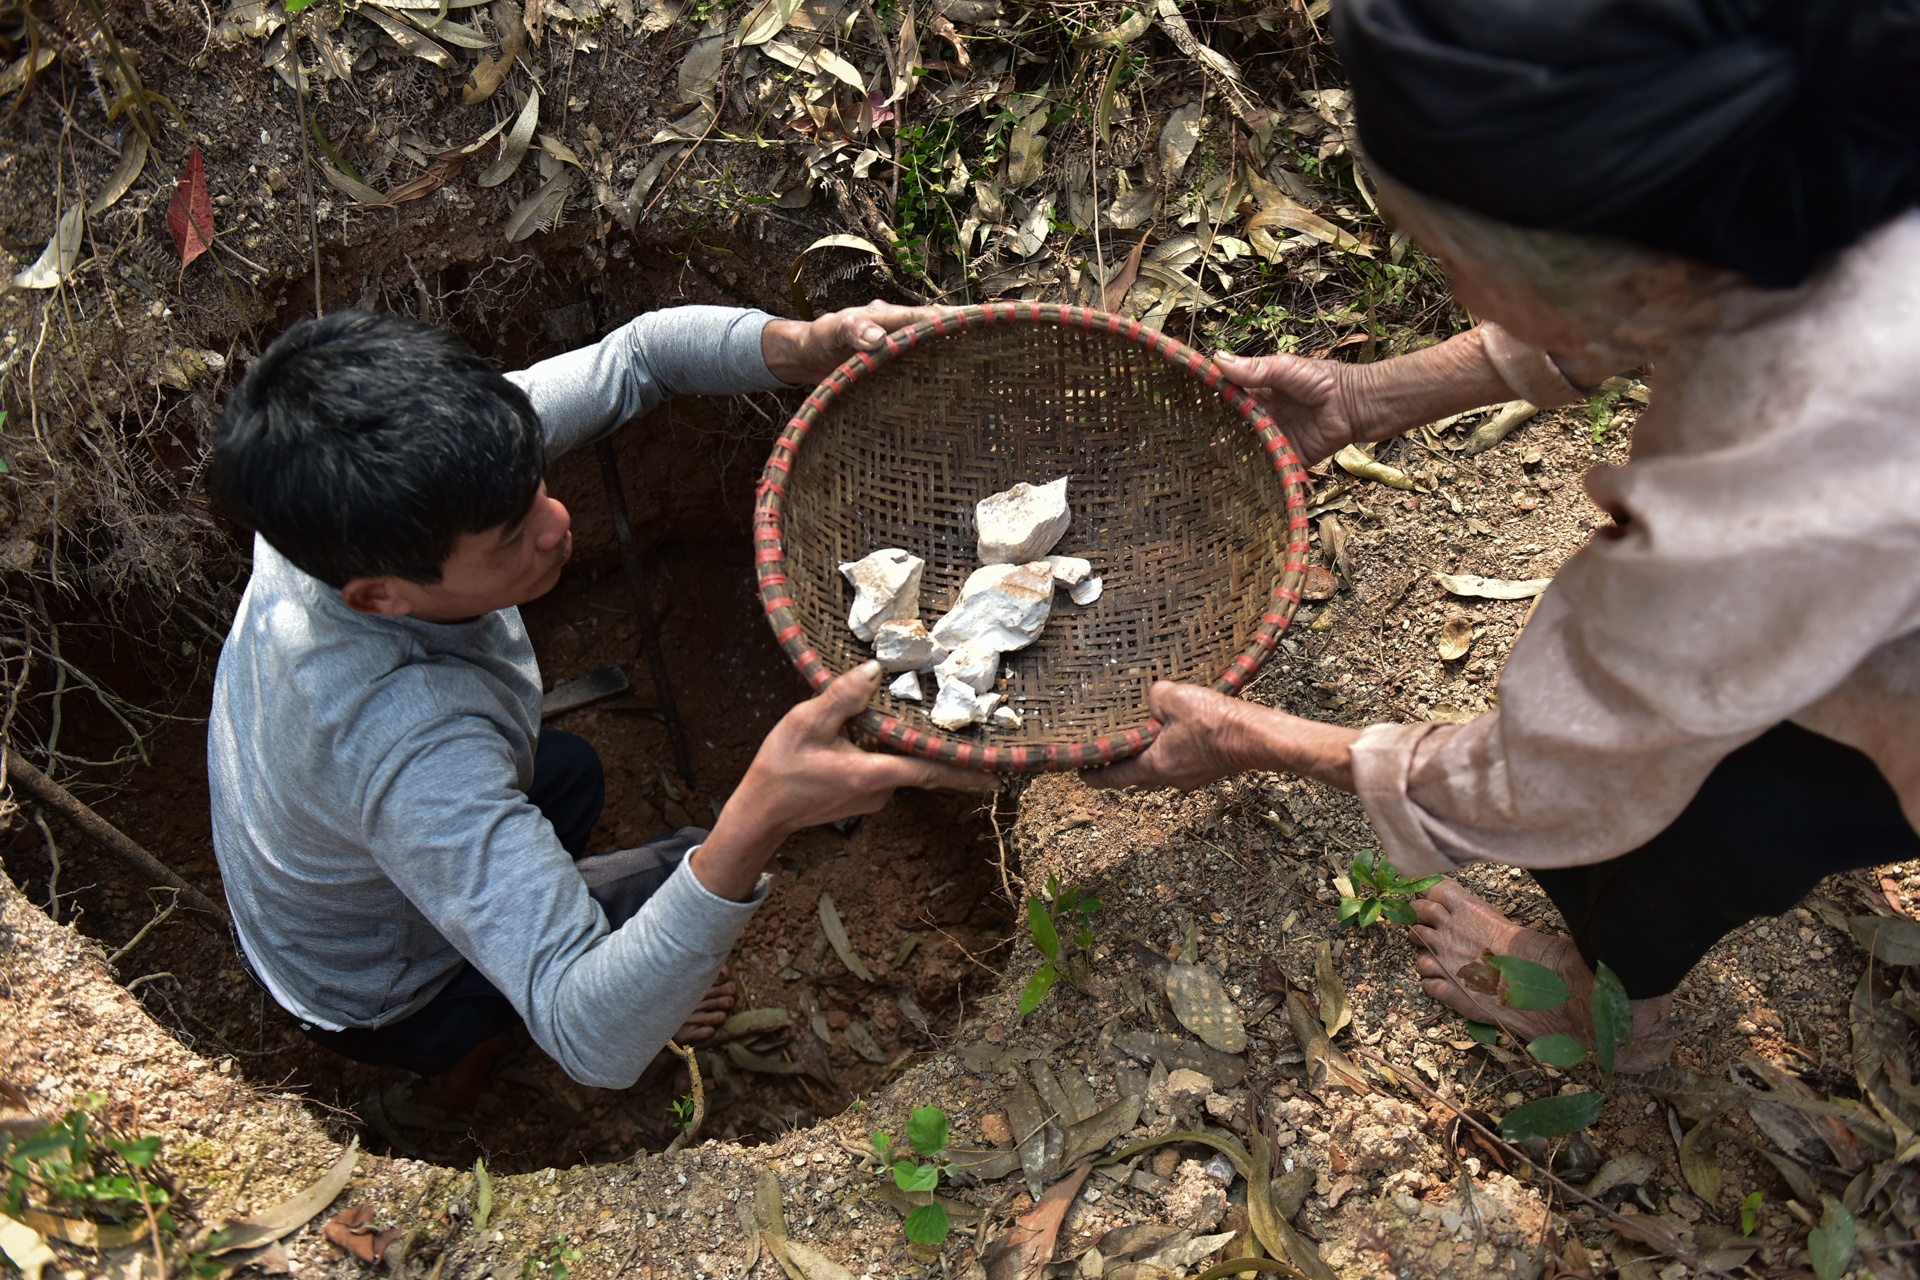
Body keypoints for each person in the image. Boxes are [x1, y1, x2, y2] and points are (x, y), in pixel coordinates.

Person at [1089, 0, 1920, 1070]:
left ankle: (1608, 1012)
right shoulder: (1826, 139)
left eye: (1443, 259)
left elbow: (1567, 779)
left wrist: (1252, 738)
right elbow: (1645, 293)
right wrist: (1364, 398)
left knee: (1728, 809)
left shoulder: (1785, 474)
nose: (1446, 282)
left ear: (1638, 276)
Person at [208, 301, 992, 1106]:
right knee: (690, 862)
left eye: (536, 488)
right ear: (380, 596)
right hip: (380, 980)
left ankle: (521, 971)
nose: (557, 524)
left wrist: (799, 344)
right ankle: (469, 1054)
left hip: (327, 857)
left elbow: (639, 356)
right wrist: (760, 816)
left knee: (572, 774)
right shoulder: (412, 749)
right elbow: (590, 1038)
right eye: (510, 540)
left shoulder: (362, 490)